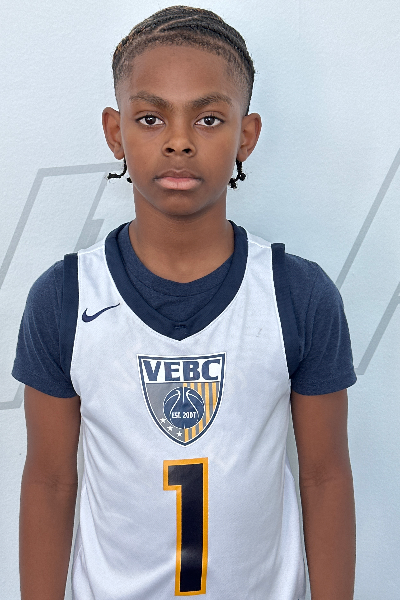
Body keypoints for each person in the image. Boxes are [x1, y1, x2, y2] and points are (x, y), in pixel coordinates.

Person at [13, 6, 356, 600]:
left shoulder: (297, 294)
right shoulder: (65, 297)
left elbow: (325, 477)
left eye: (208, 119)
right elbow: (48, 481)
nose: (178, 141)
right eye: (150, 118)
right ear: (115, 132)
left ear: (246, 135)